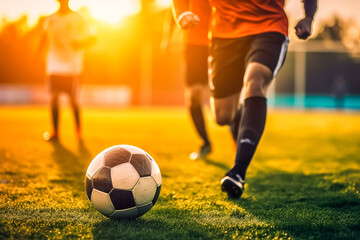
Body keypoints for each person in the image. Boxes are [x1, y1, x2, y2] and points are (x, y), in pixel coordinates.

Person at [173, 0, 317, 198]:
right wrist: (181, 12)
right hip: (224, 35)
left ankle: (238, 172)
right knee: (223, 116)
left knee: (255, 81)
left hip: (269, 27)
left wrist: (309, 16)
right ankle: (245, 114)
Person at [39, 0, 95, 142]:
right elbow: (44, 37)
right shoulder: (51, 19)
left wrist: (80, 44)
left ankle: (78, 132)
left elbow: (93, 38)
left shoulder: (78, 18)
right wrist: (37, 54)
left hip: (73, 66)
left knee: (73, 99)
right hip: (54, 65)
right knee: (54, 97)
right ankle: (55, 132)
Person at [163, 1, 212, 160]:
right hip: (193, 46)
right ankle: (205, 143)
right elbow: (176, 7)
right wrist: (168, 38)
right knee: (193, 97)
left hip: (221, 42)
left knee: (224, 103)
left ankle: (239, 139)